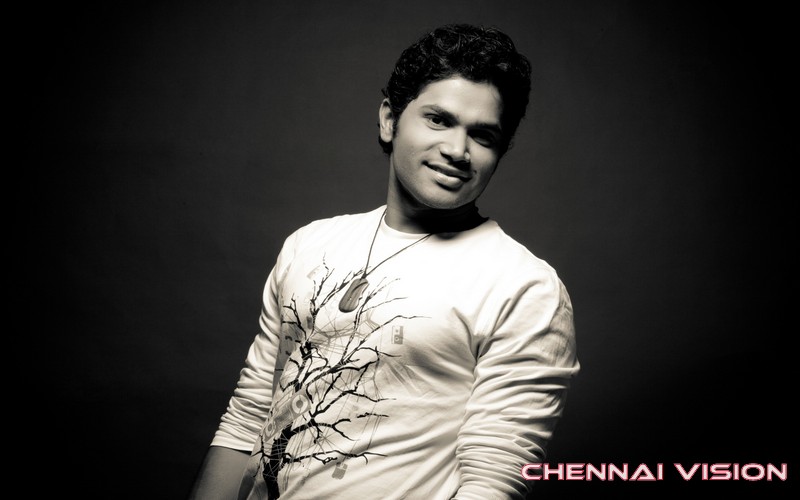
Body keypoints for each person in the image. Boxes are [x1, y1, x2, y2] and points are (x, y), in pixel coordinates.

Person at [189, 23, 579, 500]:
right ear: (390, 120)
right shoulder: (310, 244)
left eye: (482, 135)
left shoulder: (524, 286)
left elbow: (492, 481)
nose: (457, 150)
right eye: (439, 120)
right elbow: (249, 415)